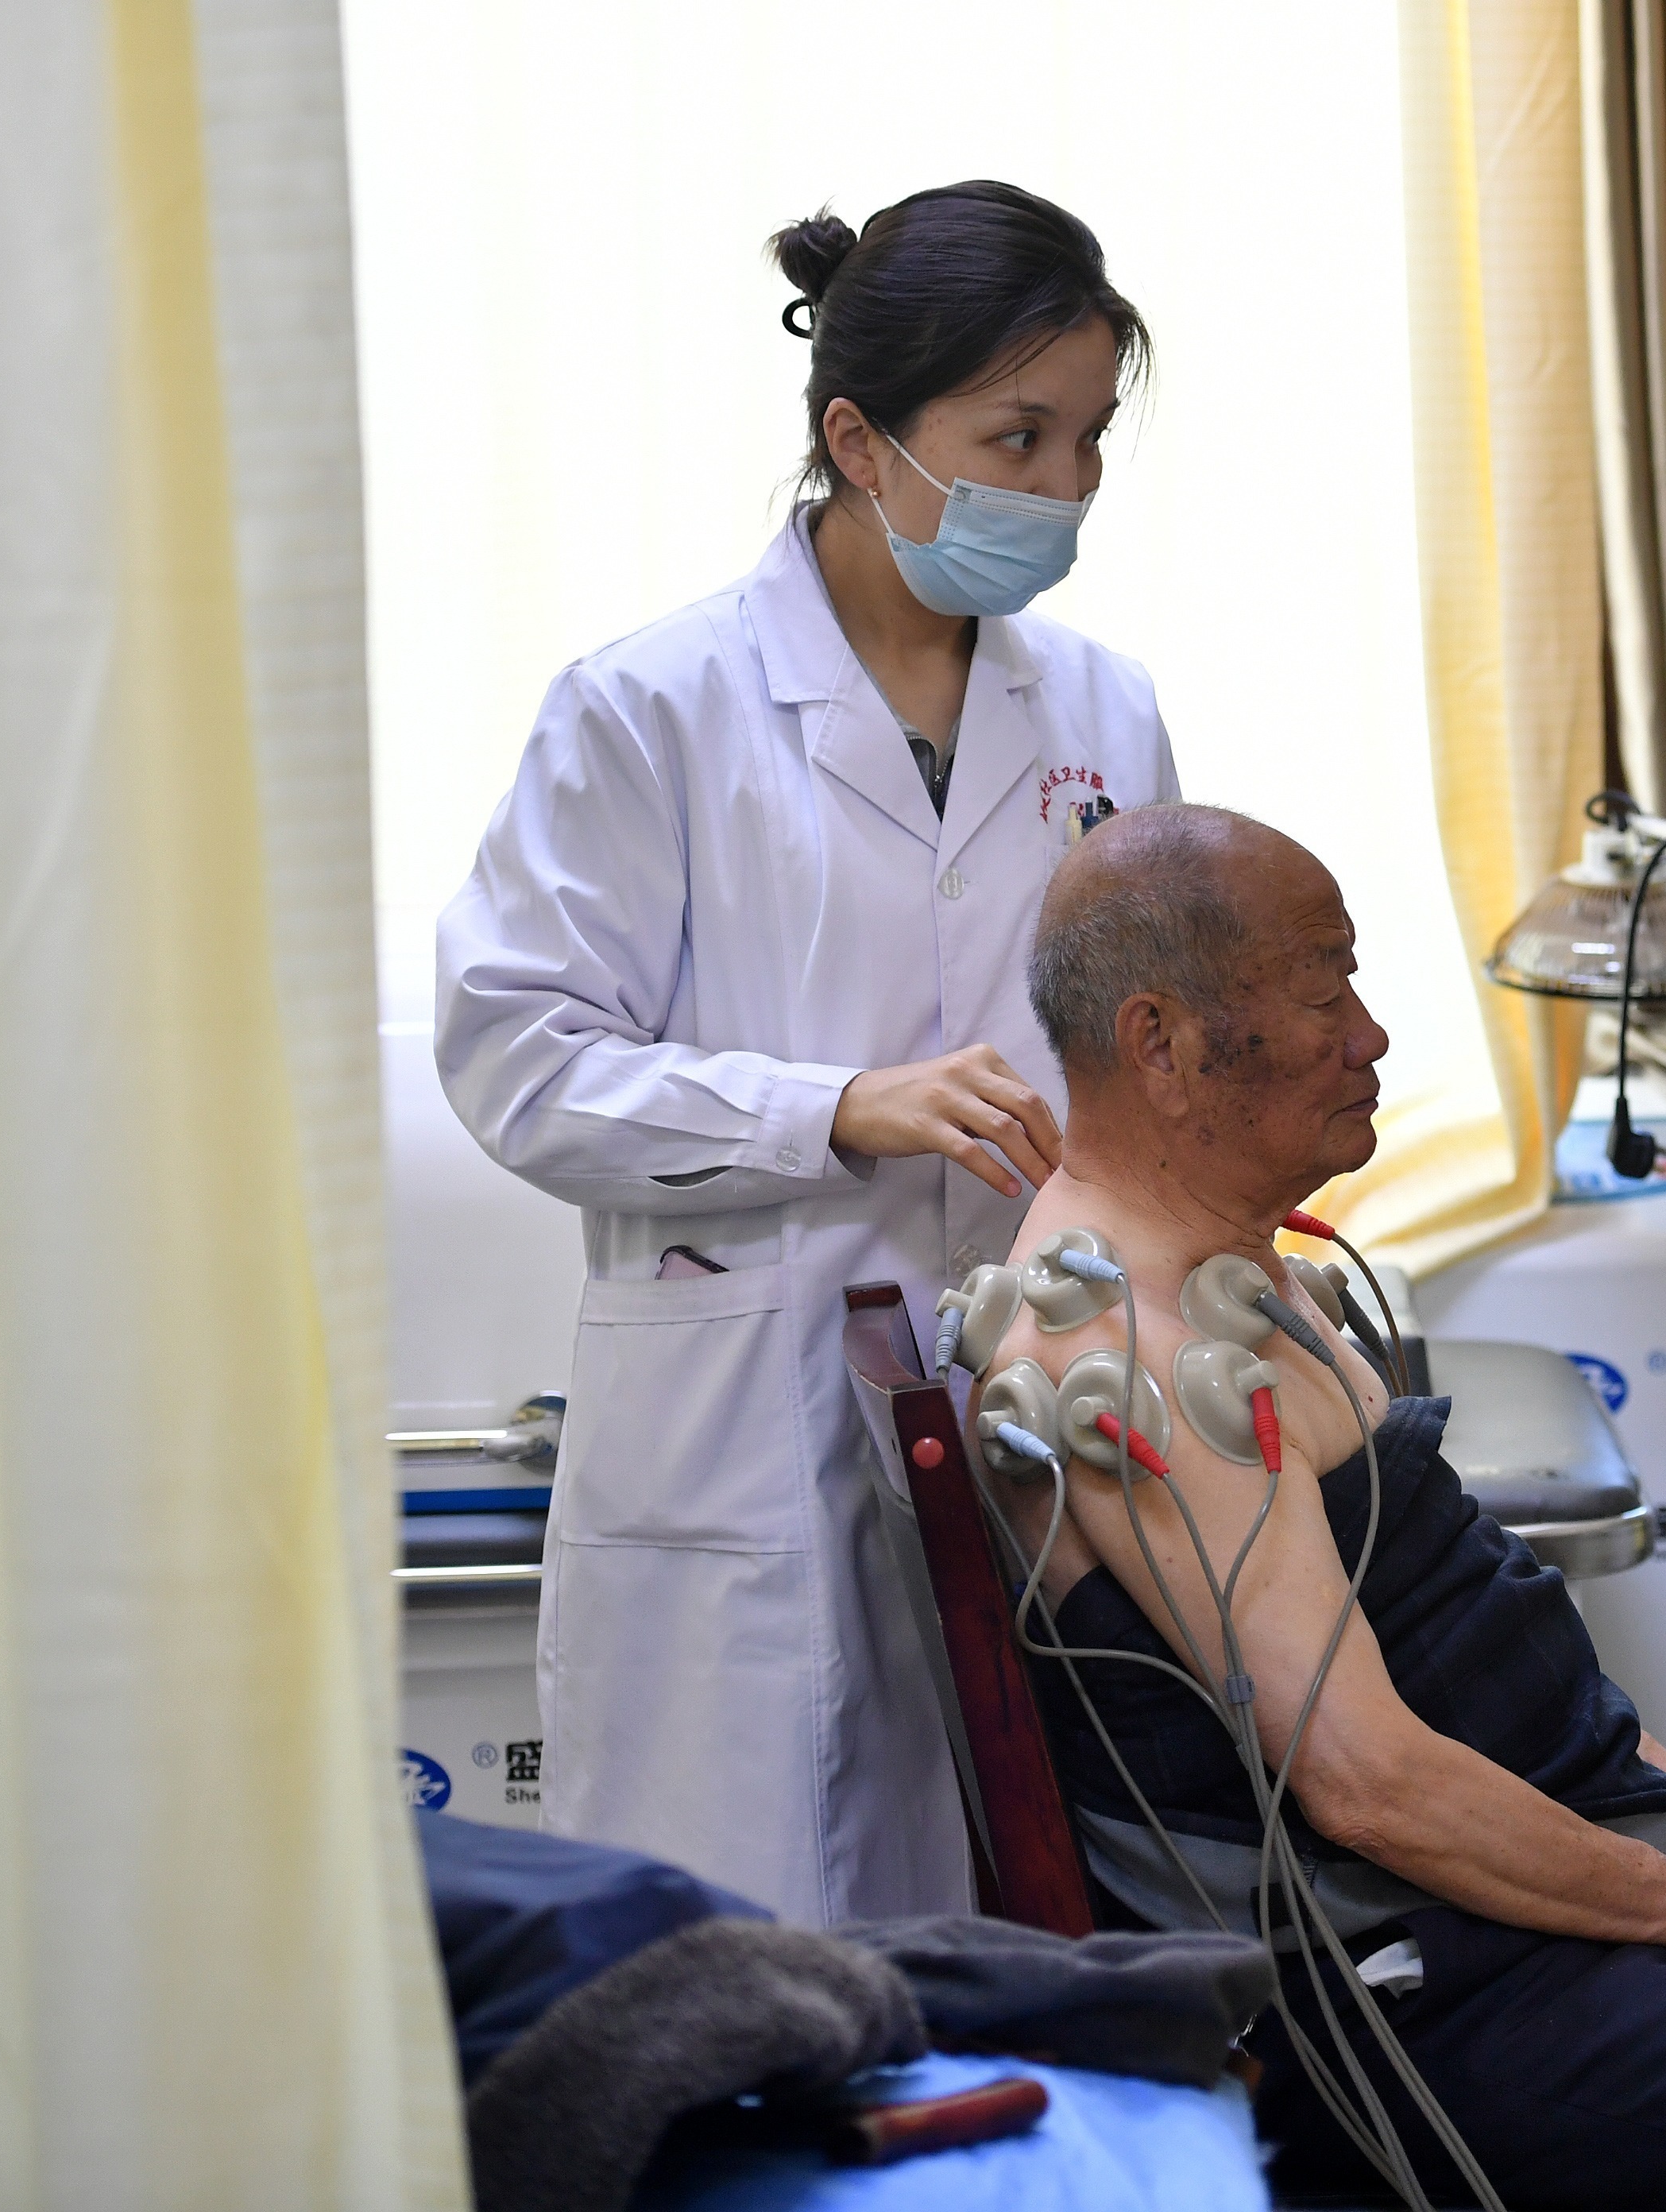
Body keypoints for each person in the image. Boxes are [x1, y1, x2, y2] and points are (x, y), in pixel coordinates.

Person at [437, 182, 1175, 1926]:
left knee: (1022, 1946)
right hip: (743, 1435)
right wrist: (831, 1109)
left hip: (1027, 1409)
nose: (1066, 486)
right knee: (745, 1964)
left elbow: (1144, 1044)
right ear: (858, 440)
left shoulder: (1104, 712)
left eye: (1088, 439)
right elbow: (518, 1055)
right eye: (1017, 438)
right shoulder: (652, 708)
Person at [977, 803, 1666, 2210]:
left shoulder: (1239, 1279)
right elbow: (1370, 1786)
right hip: (1431, 2003)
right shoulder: (1127, 1356)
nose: (1369, 1036)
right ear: (1159, 1044)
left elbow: (1468, 1634)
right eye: (1324, 992)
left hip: (1521, 1926)